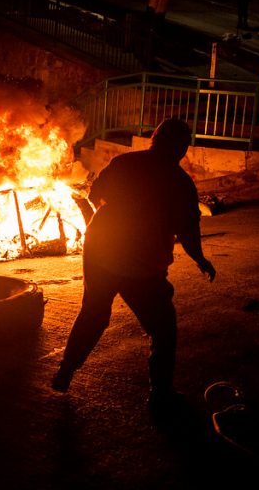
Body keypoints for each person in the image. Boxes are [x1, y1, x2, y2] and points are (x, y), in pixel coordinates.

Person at [51, 118, 216, 419]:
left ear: (154, 138)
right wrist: (201, 260)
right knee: (163, 330)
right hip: (140, 264)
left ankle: (65, 371)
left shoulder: (125, 163)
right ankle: (160, 394)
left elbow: (93, 194)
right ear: (182, 148)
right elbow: (189, 231)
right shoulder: (180, 183)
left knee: (94, 313)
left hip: (100, 247)